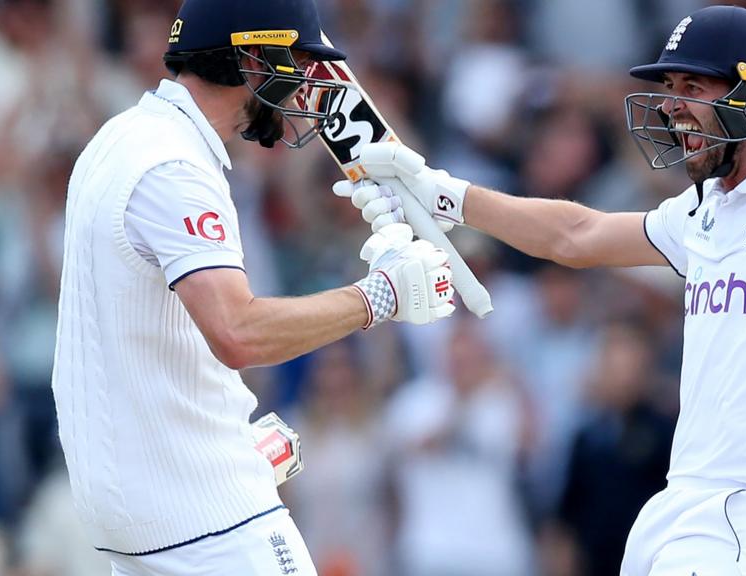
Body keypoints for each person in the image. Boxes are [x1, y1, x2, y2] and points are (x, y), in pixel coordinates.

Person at [336, 5, 746, 574]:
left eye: (693, 90)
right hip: (684, 505)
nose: (673, 110)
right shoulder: (707, 208)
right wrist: (448, 196)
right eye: (671, 90)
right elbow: (578, 234)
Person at [52, 0, 455, 574]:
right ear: (252, 58)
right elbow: (237, 332)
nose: (296, 90)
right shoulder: (173, 164)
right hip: (208, 523)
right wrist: (380, 296)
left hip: (140, 519)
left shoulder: (120, 138)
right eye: (290, 65)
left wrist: (230, 449)